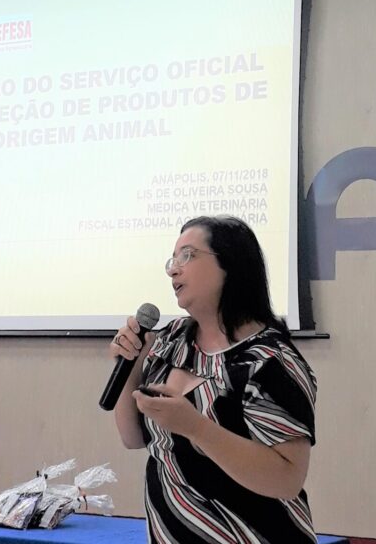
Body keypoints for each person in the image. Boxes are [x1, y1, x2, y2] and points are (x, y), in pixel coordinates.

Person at [109, 215, 318, 543]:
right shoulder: (171, 340)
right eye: (172, 259)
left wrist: (196, 427)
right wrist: (130, 364)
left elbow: (287, 477)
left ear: (230, 264)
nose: (173, 269)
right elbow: (133, 438)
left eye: (188, 256)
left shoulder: (268, 361)